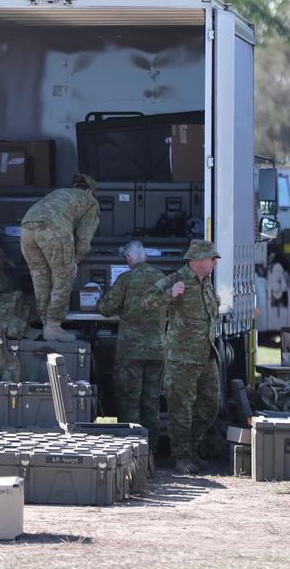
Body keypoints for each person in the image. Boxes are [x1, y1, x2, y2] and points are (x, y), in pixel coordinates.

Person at [141, 238, 221, 475]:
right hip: (182, 358)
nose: (215, 262)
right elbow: (147, 301)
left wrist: (215, 303)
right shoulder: (177, 279)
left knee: (209, 405)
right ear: (196, 260)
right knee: (181, 409)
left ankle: (191, 448)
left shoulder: (205, 281)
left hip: (206, 355)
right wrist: (170, 294)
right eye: (211, 258)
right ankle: (181, 457)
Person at [96, 240, 166, 453]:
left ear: (128, 259)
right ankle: (151, 453)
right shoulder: (162, 279)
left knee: (129, 401)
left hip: (131, 352)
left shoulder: (126, 279)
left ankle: (131, 452)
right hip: (157, 350)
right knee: (151, 402)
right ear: (145, 256)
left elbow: (106, 308)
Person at [20, 174, 100, 342]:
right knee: (63, 276)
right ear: (89, 191)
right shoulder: (90, 201)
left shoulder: (61, 193)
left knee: (40, 277)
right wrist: (75, 260)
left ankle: (45, 324)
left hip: (27, 227)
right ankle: (54, 326)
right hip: (53, 229)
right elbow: (84, 237)